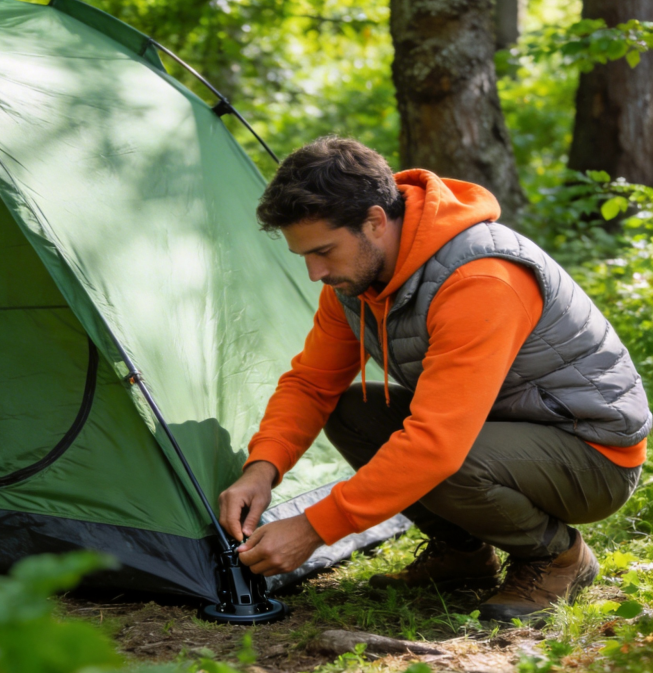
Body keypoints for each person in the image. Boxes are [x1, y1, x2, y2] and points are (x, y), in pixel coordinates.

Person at [218, 136, 650, 621]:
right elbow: (312, 384)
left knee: (441, 459)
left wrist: (312, 529)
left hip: (591, 452)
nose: (315, 272)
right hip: (496, 428)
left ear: (375, 221)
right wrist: (262, 469)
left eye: (324, 251)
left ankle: (558, 557)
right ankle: (464, 554)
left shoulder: (480, 277)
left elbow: (436, 445)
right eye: (305, 256)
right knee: (352, 411)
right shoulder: (356, 281)